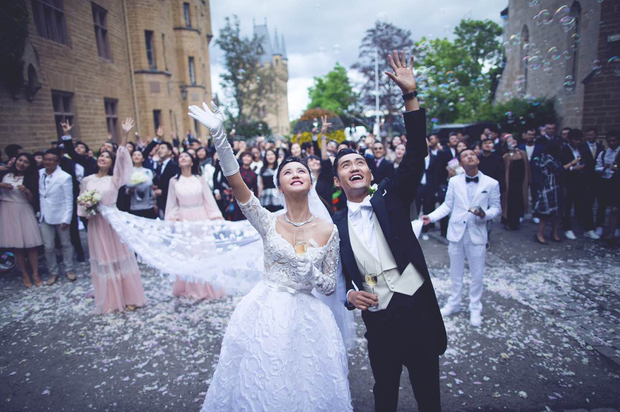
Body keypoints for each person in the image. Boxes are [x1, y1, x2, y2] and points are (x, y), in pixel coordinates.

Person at [189, 102, 353, 411]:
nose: (295, 173)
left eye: (301, 170)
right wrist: (219, 137)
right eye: (287, 171)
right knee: (266, 380)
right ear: (278, 186)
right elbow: (236, 182)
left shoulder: (328, 230)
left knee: (305, 386)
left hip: (308, 319)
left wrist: (312, 274)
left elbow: (331, 286)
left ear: (311, 180)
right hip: (265, 311)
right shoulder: (267, 221)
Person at [334, 51, 446, 412]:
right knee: (385, 396)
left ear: (369, 175)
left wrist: (410, 97)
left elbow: (415, 153)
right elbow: (329, 280)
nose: (354, 167)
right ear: (337, 181)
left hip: (416, 308)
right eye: (345, 165)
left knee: (429, 396)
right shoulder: (333, 228)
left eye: (360, 163)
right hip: (378, 320)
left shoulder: (393, 198)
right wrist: (349, 297)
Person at [423, 147, 501, 326]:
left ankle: (475, 307)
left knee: (477, 274)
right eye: (465, 155)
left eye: (472, 154)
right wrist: (431, 217)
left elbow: (496, 208)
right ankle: (454, 303)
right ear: (461, 162)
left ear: (478, 159)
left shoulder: (491, 183)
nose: (469, 157)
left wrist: (484, 215)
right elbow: (447, 206)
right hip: (456, 232)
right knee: (455, 272)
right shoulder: (454, 182)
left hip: (477, 233)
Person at [78, 118, 146, 314]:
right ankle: (110, 300)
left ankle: (128, 297)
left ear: (111, 162)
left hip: (112, 222)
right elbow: (81, 200)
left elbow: (123, 160)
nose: (103, 158)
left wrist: (123, 136)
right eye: (101, 155)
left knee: (119, 257)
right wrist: (87, 210)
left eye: (107, 156)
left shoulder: (115, 179)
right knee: (102, 259)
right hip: (96, 223)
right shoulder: (87, 180)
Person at [165, 152, 225, 300]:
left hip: (201, 217)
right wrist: (173, 217)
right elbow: (172, 202)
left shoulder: (200, 179)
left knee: (203, 252)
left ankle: (206, 288)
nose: (183, 158)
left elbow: (208, 199)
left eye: (186, 156)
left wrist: (214, 215)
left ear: (192, 162)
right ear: (178, 162)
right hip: (184, 218)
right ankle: (190, 288)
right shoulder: (174, 181)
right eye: (181, 157)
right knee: (187, 253)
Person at [0, 153, 44, 288]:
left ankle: (35, 274)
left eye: (25, 162)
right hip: (8, 209)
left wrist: (26, 191)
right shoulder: (5, 174)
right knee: (17, 247)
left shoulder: (31, 177)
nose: (21, 164)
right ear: (15, 161)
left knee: (31, 245)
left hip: (24, 209)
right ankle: (24, 275)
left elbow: (34, 199)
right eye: (20, 160)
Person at [38, 148, 76, 285]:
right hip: (44, 215)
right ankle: (53, 272)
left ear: (57, 162)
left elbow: (68, 199)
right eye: (45, 159)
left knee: (66, 243)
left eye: (50, 160)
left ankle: (69, 269)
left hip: (60, 214)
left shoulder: (64, 176)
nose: (47, 162)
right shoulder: (39, 174)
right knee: (48, 246)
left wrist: (67, 218)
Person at [534, 140, 574, 244]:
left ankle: (554, 233)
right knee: (545, 213)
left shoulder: (556, 157)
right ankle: (539, 234)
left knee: (558, 212)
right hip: (548, 187)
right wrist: (572, 163)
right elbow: (558, 169)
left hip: (558, 186)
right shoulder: (546, 157)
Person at [560, 129, 598, 240]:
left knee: (586, 204)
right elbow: (561, 166)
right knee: (567, 205)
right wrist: (573, 168)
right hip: (569, 180)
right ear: (570, 139)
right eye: (575, 139)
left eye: (579, 139)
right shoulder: (564, 149)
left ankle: (589, 229)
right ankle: (567, 228)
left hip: (582, 180)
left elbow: (589, 162)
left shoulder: (582, 148)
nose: (577, 142)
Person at [579, 128, 605, 238]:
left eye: (592, 135)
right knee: (588, 203)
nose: (590, 137)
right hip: (586, 178)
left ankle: (599, 225)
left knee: (601, 203)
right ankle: (588, 227)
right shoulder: (582, 147)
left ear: (596, 135)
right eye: (588, 135)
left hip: (599, 178)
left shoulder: (601, 147)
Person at [595, 130, 620, 242]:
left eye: (614, 141)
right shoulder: (604, 153)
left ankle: (614, 229)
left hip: (617, 181)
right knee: (602, 205)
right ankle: (600, 226)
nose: (611, 143)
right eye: (609, 141)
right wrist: (604, 168)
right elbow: (597, 168)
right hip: (605, 181)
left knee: (615, 208)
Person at [502, 135, 530, 230]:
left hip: (520, 182)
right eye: (509, 140)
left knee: (519, 201)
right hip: (510, 183)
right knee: (510, 202)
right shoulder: (506, 156)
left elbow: (527, 168)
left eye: (513, 139)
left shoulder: (522, 153)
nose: (512, 141)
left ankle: (516, 221)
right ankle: (508, 221)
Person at [519, 127, 544, 223]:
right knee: (522, 194)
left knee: (535, 195)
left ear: (535, 136)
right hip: (523, 174)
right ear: (525, 135)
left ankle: (535, 214)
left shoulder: (539, 148)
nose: (530, 137)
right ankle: (521, 214)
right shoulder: (521, 147)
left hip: (535, 174)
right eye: (528, 134)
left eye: (532, 135)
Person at [125, 150, 157, 219]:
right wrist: (130, 191)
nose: (136, 156)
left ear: (143, 159)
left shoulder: (148, 171)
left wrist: (155, 203)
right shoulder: (128, 172)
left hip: (148, 205)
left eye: (139, 155)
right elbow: (126, 190)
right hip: (135, 205)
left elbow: (151, 189)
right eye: (134, 155)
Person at [153, 140, 180, 217]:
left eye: (163, 148)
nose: (160, 150)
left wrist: (163, 192)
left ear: (169, 152)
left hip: (171, 200)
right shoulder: (159, 166)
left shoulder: (174, 166)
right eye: (159, 149)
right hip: (161, 201)